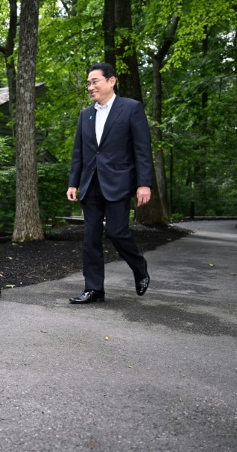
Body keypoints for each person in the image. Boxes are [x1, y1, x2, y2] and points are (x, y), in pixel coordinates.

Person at [66, 62, 153, 304]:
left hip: (119, 181)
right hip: (91, 182)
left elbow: (142, 149)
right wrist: (73, 182)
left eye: (95, 81)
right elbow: (79, 152)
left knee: (117, 232)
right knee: (90, 237)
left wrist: (144, 184)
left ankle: (139, 266)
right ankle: (94, 289)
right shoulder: (86, 114)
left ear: (111, 81)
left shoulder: (131, 108)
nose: (90, 87)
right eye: (88, 83)